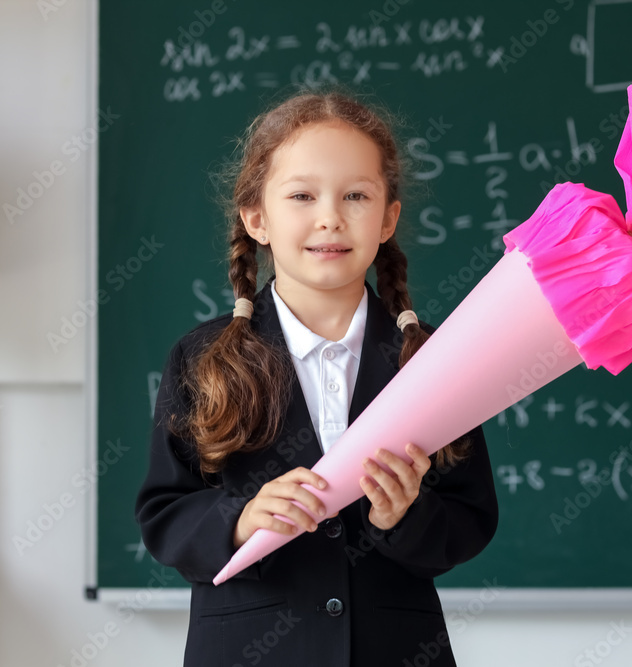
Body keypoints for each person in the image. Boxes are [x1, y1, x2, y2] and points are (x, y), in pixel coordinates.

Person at [135, 88, 498, 667]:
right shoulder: (200, 356)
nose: (330, 216)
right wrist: (242, 518)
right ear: (257, 218)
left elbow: (470, 515)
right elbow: (165, 512)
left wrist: (403, 518)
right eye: (302, 195)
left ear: (388, 219)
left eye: (356, 195)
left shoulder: (434, 358)